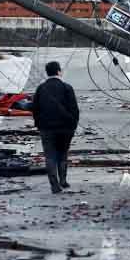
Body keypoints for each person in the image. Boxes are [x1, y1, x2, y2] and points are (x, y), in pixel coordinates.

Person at [31, 61, 79, 194]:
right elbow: (74, 110)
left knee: (50, 155)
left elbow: (35, 108)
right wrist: (73, 126)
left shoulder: (41, 88)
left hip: (46, 128)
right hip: (65, 128)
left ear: (47, 73)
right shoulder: (67, 88)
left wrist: (39, 124)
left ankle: (54, 185)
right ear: (58, 71)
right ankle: (63, 180)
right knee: (63, 153)